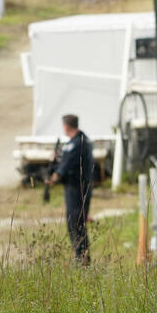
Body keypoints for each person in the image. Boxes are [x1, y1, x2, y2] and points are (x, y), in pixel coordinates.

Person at [51, 113, 97, 264]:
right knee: (75, 224)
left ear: (66, 126)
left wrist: (55, 177)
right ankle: (81, 258)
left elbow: (67, 164)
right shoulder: (79, 141)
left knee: (76, 225)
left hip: (77, 190)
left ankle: (83, 260)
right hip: (75, 189)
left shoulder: (77, 143)